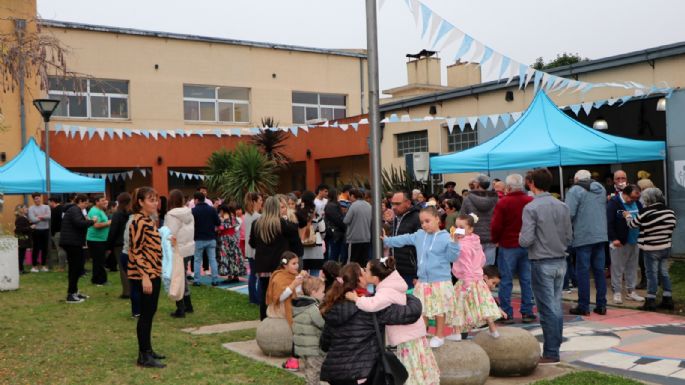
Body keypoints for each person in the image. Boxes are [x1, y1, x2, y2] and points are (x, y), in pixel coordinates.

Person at [319, 263, 423, 385]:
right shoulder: (371, 307)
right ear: (359, 279)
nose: (366, 273)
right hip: (362, 373)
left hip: (335, 374)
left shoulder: (333, 307)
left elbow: (324, 344)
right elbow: (409, 314)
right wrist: (409, 297)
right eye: (363, 272)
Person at [346, 256, 440, 385]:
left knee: (411, 370)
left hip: (406, 337)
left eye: (366, 270)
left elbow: (372, 304)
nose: (364, 271)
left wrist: (356, 299)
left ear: (375, 277)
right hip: (412, 334)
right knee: (418, 366)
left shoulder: (385, 291)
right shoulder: (392, 284)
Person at [382, 206, 460, 348]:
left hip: (440, 281)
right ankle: (422, 334)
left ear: (437, 219)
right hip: (423, 281)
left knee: (439, 310)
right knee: (421, 309)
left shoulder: (446, 237)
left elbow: (452, 257)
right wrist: (388, 240)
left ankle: (439, 335)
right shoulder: (419, 235)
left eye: (427, 221)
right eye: (422, 222)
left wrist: (455, 243)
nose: (424, 224)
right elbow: (404, 239)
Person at [519, 168, 572, 365]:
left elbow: (526, 240)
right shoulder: (562, 205)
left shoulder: (531, 208)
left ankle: (551, 351)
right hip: (560, 260)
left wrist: (520, 236)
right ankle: (554, 347)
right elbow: (569, 236)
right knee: (555, 306)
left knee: (548, 309)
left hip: (542, 261)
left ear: (531, 183)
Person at [127, 187, 166, 368]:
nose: (155, 203)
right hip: (146, 274)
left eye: (156, 199)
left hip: (153, 272)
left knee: (150, 313)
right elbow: (135, 251)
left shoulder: (147, 220)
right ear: (140, 202)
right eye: (151, 200)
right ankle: (143, 356)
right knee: (145, 315)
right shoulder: (138, 221)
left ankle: (148, 350)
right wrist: (145, 276)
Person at [490, 174, 536, 323]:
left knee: (506, 280)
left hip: (508, 244)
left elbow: (496, 225)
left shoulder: (503, 202)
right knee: (526, 280)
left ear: (508, 187)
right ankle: (527, 311)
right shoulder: (530, 201)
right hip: (527, 245)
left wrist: (495, 239)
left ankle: (507, 313)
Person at [450, 214, 505, 338]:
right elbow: (482, 259)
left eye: (462, 227)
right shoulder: (475, 241)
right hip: (478, 279)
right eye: (457, 226)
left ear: (470, 229)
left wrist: (467, 284)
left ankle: (457, 333)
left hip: (466, 280)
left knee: (458, 306)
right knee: (483, 304)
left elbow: (466, 265)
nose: (458, 229)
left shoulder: (462, 245)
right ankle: (493, 329)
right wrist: (478, 271)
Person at [250, 196, 303, 320]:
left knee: (264, 293)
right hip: (279, 265)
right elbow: (295, 236)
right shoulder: (282, 223)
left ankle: (264, 319)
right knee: (281, 291)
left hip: (262, 264)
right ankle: (279, 317)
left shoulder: (256, 223)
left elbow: (252, 243)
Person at [624, 188, 677, 311]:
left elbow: (632, 225)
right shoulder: (670, 211)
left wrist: (627, 216)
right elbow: (672, 225)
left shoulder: (645, 211)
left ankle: (650, 301)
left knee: (651, 275)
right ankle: (667, 299)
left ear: (648, 199)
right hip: (665, 247)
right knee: (663, 273)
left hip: (650, 248)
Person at [565, 170, 608, 316]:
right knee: (599, 271)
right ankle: (601, 305)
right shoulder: (601, 188)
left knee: (583, 272)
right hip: (601, 234)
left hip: (583, 236)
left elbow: (568, 213)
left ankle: (583, 306)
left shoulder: (575, 190)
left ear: (576, 179)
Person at [266, 251, 308, 371]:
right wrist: (294, 284)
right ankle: (295, 357)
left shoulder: (295, 275)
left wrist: (304, 280)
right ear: (285, 265)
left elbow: (299, 294)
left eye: (297, 263)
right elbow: (279, 298)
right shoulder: (279, 276)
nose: (297, 266)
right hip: (281, 308)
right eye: (294, 263)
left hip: (294, 305)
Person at [607, 184, 644, 304]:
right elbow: (609, 222)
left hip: (635, 239)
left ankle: (631, 291)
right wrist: (613, 238)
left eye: (636, 198)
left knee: (632, 267)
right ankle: (617, 292)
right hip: (620, 241)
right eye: (631, 198)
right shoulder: (614, 203)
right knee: (617, 267)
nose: (633, 201)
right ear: (625, 194)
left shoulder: (637, 203)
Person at [164, 189, 195, 318]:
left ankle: (181, 308)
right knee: (182, 278)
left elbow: (170, 233)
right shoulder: (189, 212)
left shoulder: (171, 215)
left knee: (177, 278)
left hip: (177, 250)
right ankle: (188, 306)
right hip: (188, 247)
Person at [60, 194, 95, 303]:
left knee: (78, 268)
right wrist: (92, 221)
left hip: (74, 243)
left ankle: (74, 291)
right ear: (80, 201)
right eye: (85, 202)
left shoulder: (75, 210)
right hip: (72, 243)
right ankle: (71, 295)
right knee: (74, 269)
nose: (86, 205)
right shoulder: (75, 209)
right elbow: (79, 223)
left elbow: (78, 223)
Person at [292, 277, 326, 385]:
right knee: (314, 372)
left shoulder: (300, 306)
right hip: (313, 348)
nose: (324, 294)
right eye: (322, 291)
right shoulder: (313, 308)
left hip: (303, 346)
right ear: (313, 292)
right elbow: (321, 324)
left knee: (309, 370)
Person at [460, 174, 499, 265]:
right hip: (491, 238)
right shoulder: (495, 199)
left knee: (474, 270)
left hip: (473, 238)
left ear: (477, 184)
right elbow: (499, 218)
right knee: (488, 271)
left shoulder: (467, 199)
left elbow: (461, 219)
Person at [387, 191, 422, 289]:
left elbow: (422, 247)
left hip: (411, 272)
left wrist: (418, 274)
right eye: (392, 204)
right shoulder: (397, 217)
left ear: (408, 203)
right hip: (396, 269)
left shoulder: (417, 218)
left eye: (397, 204)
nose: (394, 207)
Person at [191, 191, 220, 286]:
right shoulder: (212, 209)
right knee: (212, 259)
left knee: (197, 260)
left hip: (198, 238)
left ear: (196, 200)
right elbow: (218, 223)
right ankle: (215, 280)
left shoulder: (193, 211)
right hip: (211, 238)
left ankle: (197, 280)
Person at [107, 193, 132, 299]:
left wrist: (108, 245)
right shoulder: (131, 213)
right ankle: (132, 289)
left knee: (123, 268)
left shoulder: (117, 214)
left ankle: (127, 292)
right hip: (130, 242)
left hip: (119, 244)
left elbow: (113, 231)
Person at [297, 191, 326, 273]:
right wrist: (320, 237)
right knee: (315, 276)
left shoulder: (297, 214)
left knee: (302, 276)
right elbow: (323, 231)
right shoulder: (316, 214)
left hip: (302, 250)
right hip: (315, 250)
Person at [86, 194, 112, 285]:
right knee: (99, 260)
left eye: (105, 200)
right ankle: (100, 280)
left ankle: (96, 279)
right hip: (95, 240)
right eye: (102, 200)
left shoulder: (100, 210)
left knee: (99, 260)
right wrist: (109, 223)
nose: (105, 202)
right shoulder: (94, 211)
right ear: (97, 202)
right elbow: (96, 225)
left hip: (100, 239)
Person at [343, 189, 372, 266]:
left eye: (350, 196)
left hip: (354, 239)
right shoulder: (369, 205)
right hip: (366, 238)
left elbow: (346, 220)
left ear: (353, 196)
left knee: (352, 264)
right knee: (363, 263)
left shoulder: (353, 206)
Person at [243, 192, 263, 305]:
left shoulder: (246, 215)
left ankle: (253, 298)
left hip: (249, 248)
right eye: (260, 200)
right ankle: (258, 298)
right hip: (256, 249)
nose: (261, 203)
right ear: (255, 201)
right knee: (259, 275)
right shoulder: (258, 217)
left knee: (253, 274)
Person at [217, 204, 245, 282]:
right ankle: (236, 275)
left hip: (224, 239)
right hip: (233, 238)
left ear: (222, 211)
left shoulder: (221, 219)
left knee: (226, 257)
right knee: (234, 256)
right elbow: (235, 227)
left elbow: (219, 229)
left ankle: (229, 275)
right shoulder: (232, 218)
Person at [28, 193, 51, 272]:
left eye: (38, 198)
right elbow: (32, 220)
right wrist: (43, 217)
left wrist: (38, 217)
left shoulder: (46, 206)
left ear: (40, 198)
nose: (37, 200)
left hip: (45, 229)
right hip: (36, 230)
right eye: (35, 198)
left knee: (45, 248)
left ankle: (43, 265)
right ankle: (34, 266)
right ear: (33, 199)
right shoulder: (31, 208)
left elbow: (49, 216)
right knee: (36, 248)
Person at [324, 189, 347, 263]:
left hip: (335, 233)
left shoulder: (331, 205)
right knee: (334, 255)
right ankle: (332, 271)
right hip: (335, 234)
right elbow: (338, 220)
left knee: (335, 254)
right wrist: (345, 227)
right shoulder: (332, 206)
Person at [48, 196, 66, 271]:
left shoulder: (54, 210)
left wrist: (52, 233)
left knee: (60, 249)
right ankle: (63, 266)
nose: (49, 204)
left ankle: (61, 267)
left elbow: (53, 223)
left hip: (57, 232)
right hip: (64, 231)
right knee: (63, 249)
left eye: (49, 202)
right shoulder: (63, 208)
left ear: (53, 201)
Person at [14, 204, 33, 274]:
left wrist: (30, 224)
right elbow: (19, 229)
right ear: (21, 210)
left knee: (22, 255)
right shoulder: (20, 218)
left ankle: (21, 269)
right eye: (25, 208)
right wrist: (30, 227)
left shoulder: (23, 217)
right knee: (21, 255)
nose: (27, 209)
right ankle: (20, 270)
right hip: (22, 239)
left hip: (22, 239)